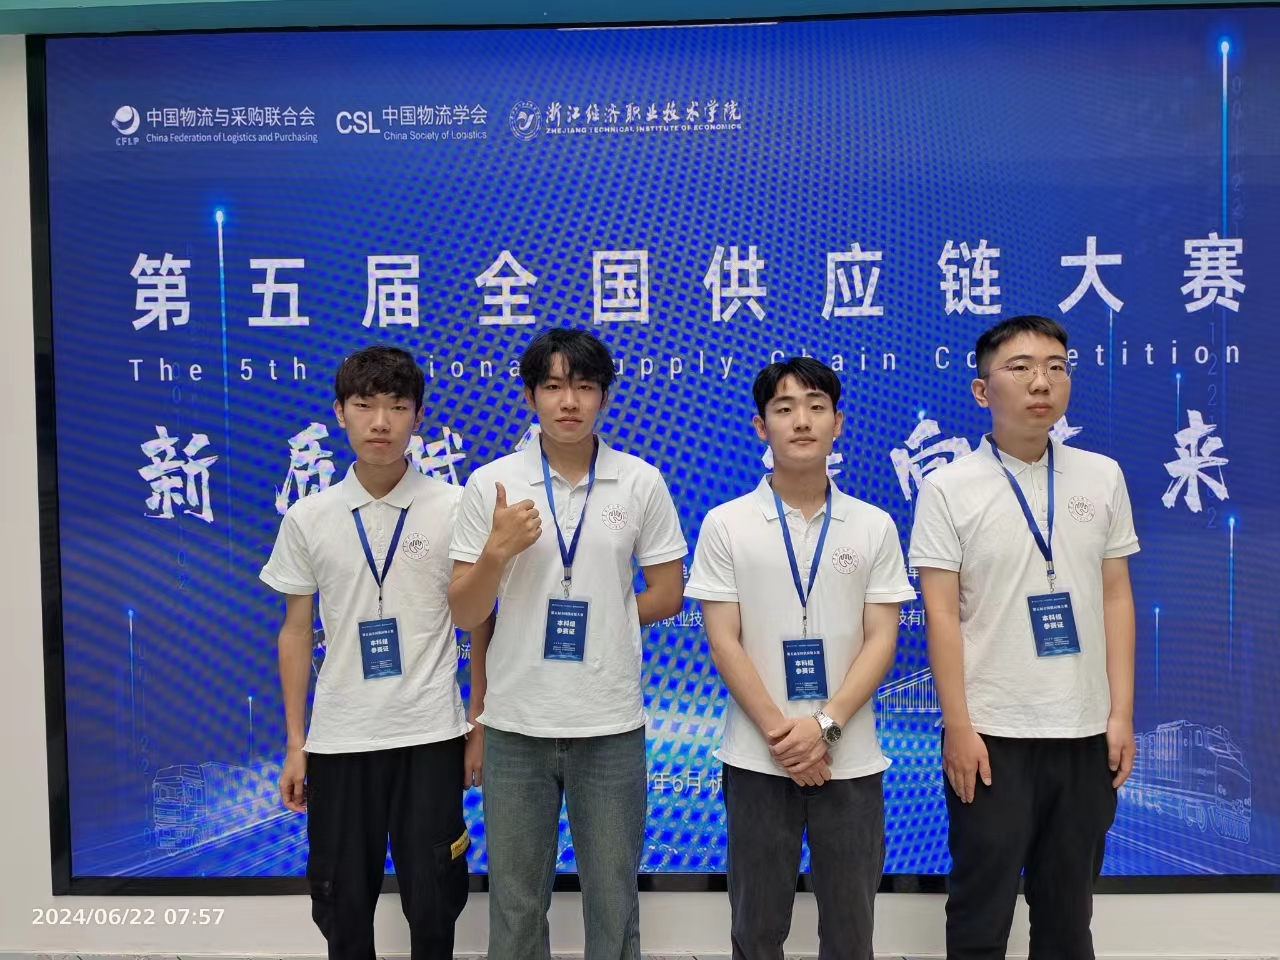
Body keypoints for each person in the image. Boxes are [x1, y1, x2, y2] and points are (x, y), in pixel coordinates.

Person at [447, 327, 687, 960]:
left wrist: (608, 615)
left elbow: (668, 593)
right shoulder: (493, 484)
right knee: (516, 909)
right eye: (553, 387)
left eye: (584, 386)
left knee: (613, 905)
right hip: (516, 726)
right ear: (530, 396)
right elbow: (465, 610)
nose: (569, 401)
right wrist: (496, 552)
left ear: (604, 395)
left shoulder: (639, 481)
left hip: (609, 725)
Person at [909, 315, 1139, 960]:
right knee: (980, 911)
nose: (1042, 382)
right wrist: (959, 726)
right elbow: (941, 615)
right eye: (1021, 368)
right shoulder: (948, 487)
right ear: (982, 390)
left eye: (1056, 367)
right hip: (992, 734)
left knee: (1068, 915)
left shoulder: (1102, 475)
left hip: (1085, 733)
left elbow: (1116, 597)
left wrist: (1120, 714)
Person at [685, 357, 915, 960]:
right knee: (756, 930)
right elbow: (723, 640)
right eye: (784, 409)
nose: (802, 421)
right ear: (761, 427)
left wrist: (824, 727)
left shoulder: (874, 526)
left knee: (850, 932)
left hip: (851, 760)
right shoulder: (726, 524)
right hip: (757, 760)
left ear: (839, 422)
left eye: (816, 406)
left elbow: (882, 640)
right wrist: (783, 738)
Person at [261, 345, 481, 960]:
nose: (380, 422)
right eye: (364, 405)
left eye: (397, 406)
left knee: (435, 899)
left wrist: (478, 724)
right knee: (341, 902)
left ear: (418, 416)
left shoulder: (455, 507)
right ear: (340, 413)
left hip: (430, 734)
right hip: (340, 739)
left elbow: (482, 622)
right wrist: (297, 743)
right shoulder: (309, 517)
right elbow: (295, 632)